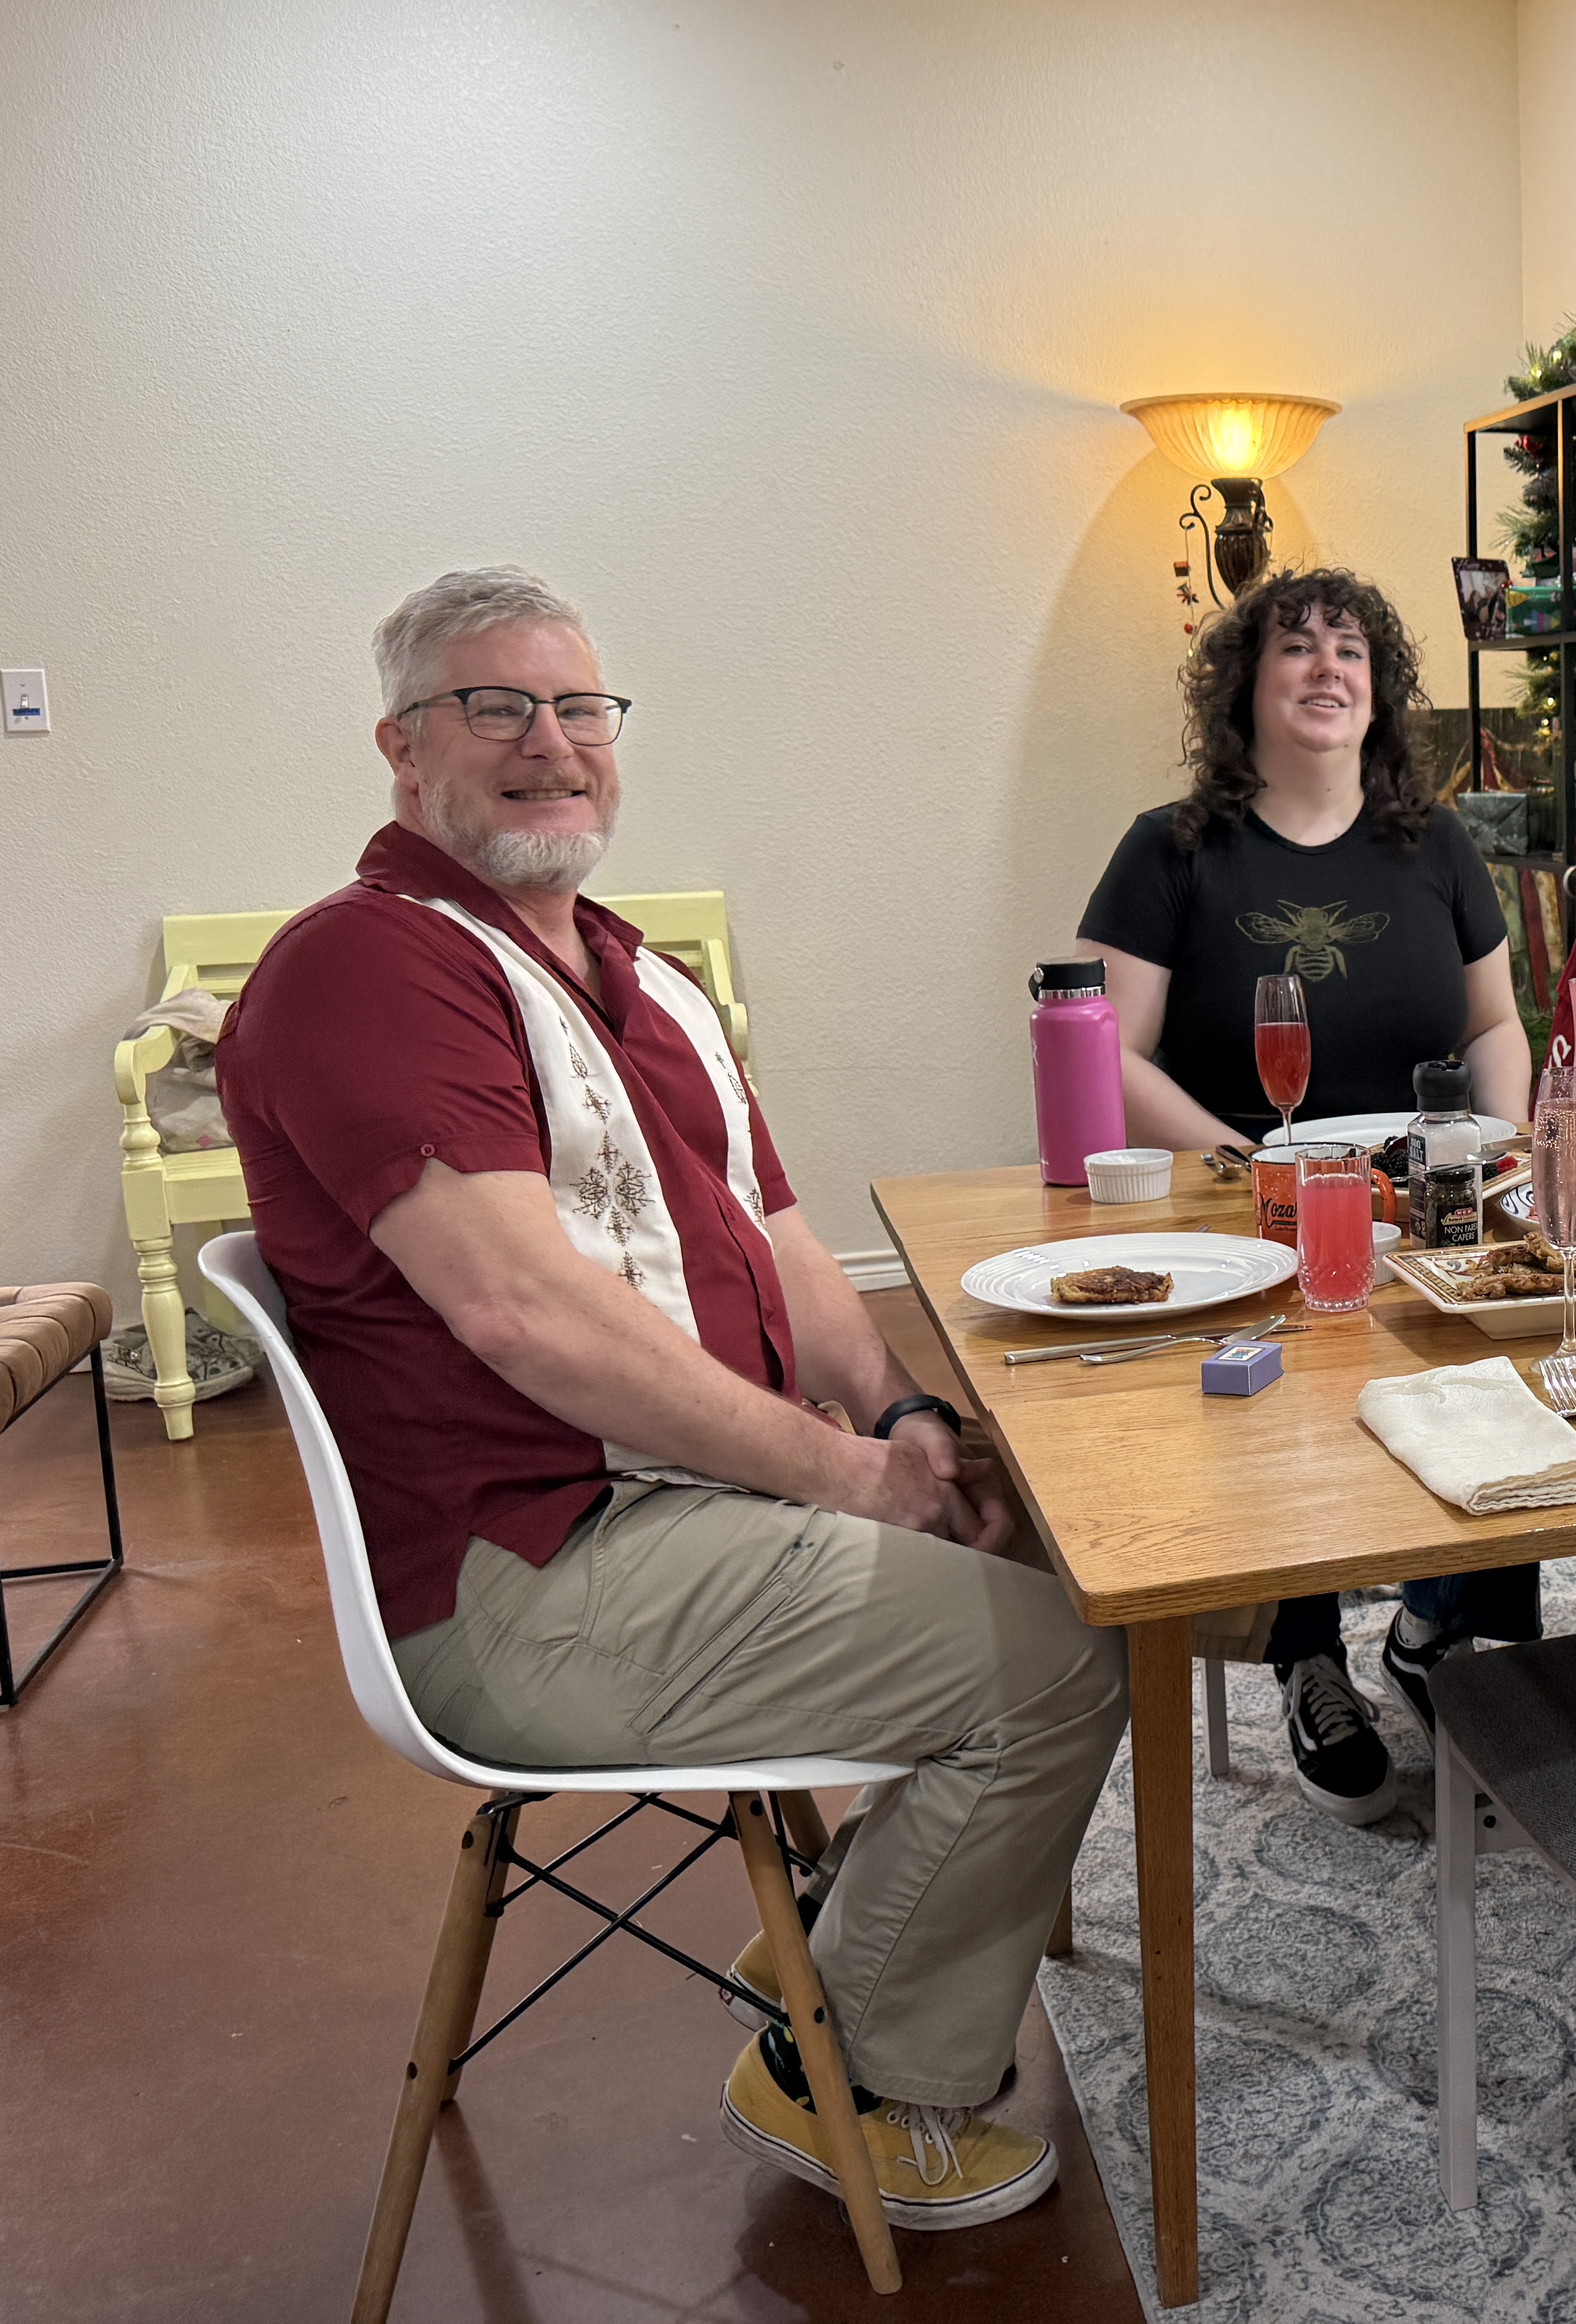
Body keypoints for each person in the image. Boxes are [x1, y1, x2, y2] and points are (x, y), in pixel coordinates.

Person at [219, 567, 1128, 2234]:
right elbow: (521, 1314)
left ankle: (848, 1944)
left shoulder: (633, 974)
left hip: (670, 1511)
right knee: (1061, 1663)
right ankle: (860, 2078)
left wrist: (903, 1422)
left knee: (1068, 1551)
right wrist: (840, 1480)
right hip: (534, 1572)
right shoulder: (369, 963)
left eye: (580, 707)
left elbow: (781, 1246)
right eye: (495, 708)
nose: (550, 743)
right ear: (401, 747)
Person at [1075, 565, 1534, 1825]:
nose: (1327, 667)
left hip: (1431, 1191)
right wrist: (1249, 1161)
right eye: (1297, 647)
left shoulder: (1437, 843)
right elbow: (1108, 1053)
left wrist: (1494, 1144)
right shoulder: (1172, 847)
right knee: (1286, 1407)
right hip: (1248, 1196)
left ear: (1379, 693)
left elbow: (1495, 1023)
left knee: (1503, 1360)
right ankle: (1307, 1655)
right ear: (1245, 685)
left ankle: (1436, 1636)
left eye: (1351, 650)